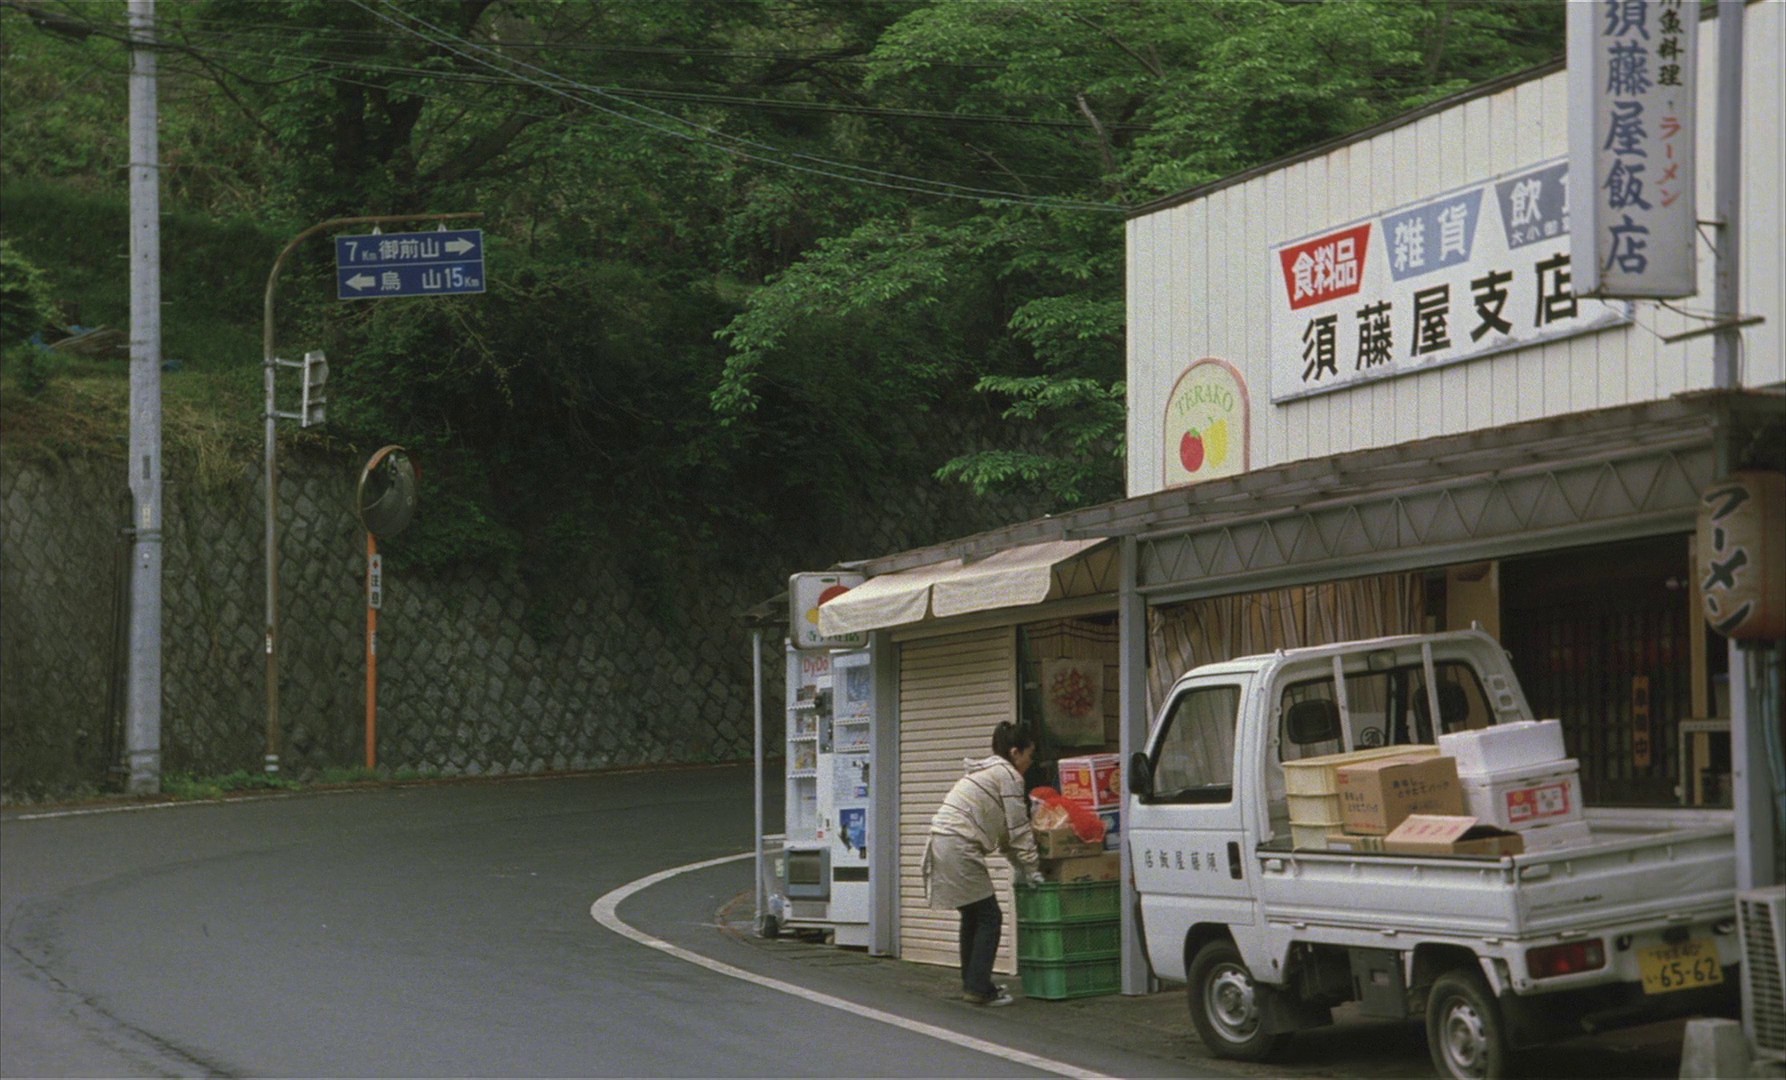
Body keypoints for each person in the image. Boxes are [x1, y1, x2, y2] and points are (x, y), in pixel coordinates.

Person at [922, 720, 1044, 1006]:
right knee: (989, 916)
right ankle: (979, 988)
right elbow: (1019, 829)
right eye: (1029, 755)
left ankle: (973, 982)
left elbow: (1005, 837)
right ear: (1016, 752)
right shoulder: (1009, 776)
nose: (1030, 762)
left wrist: (1022, 866)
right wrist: (1033, 869)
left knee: (974, 914)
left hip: (943, 840)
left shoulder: (990, 772)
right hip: (958, 843)